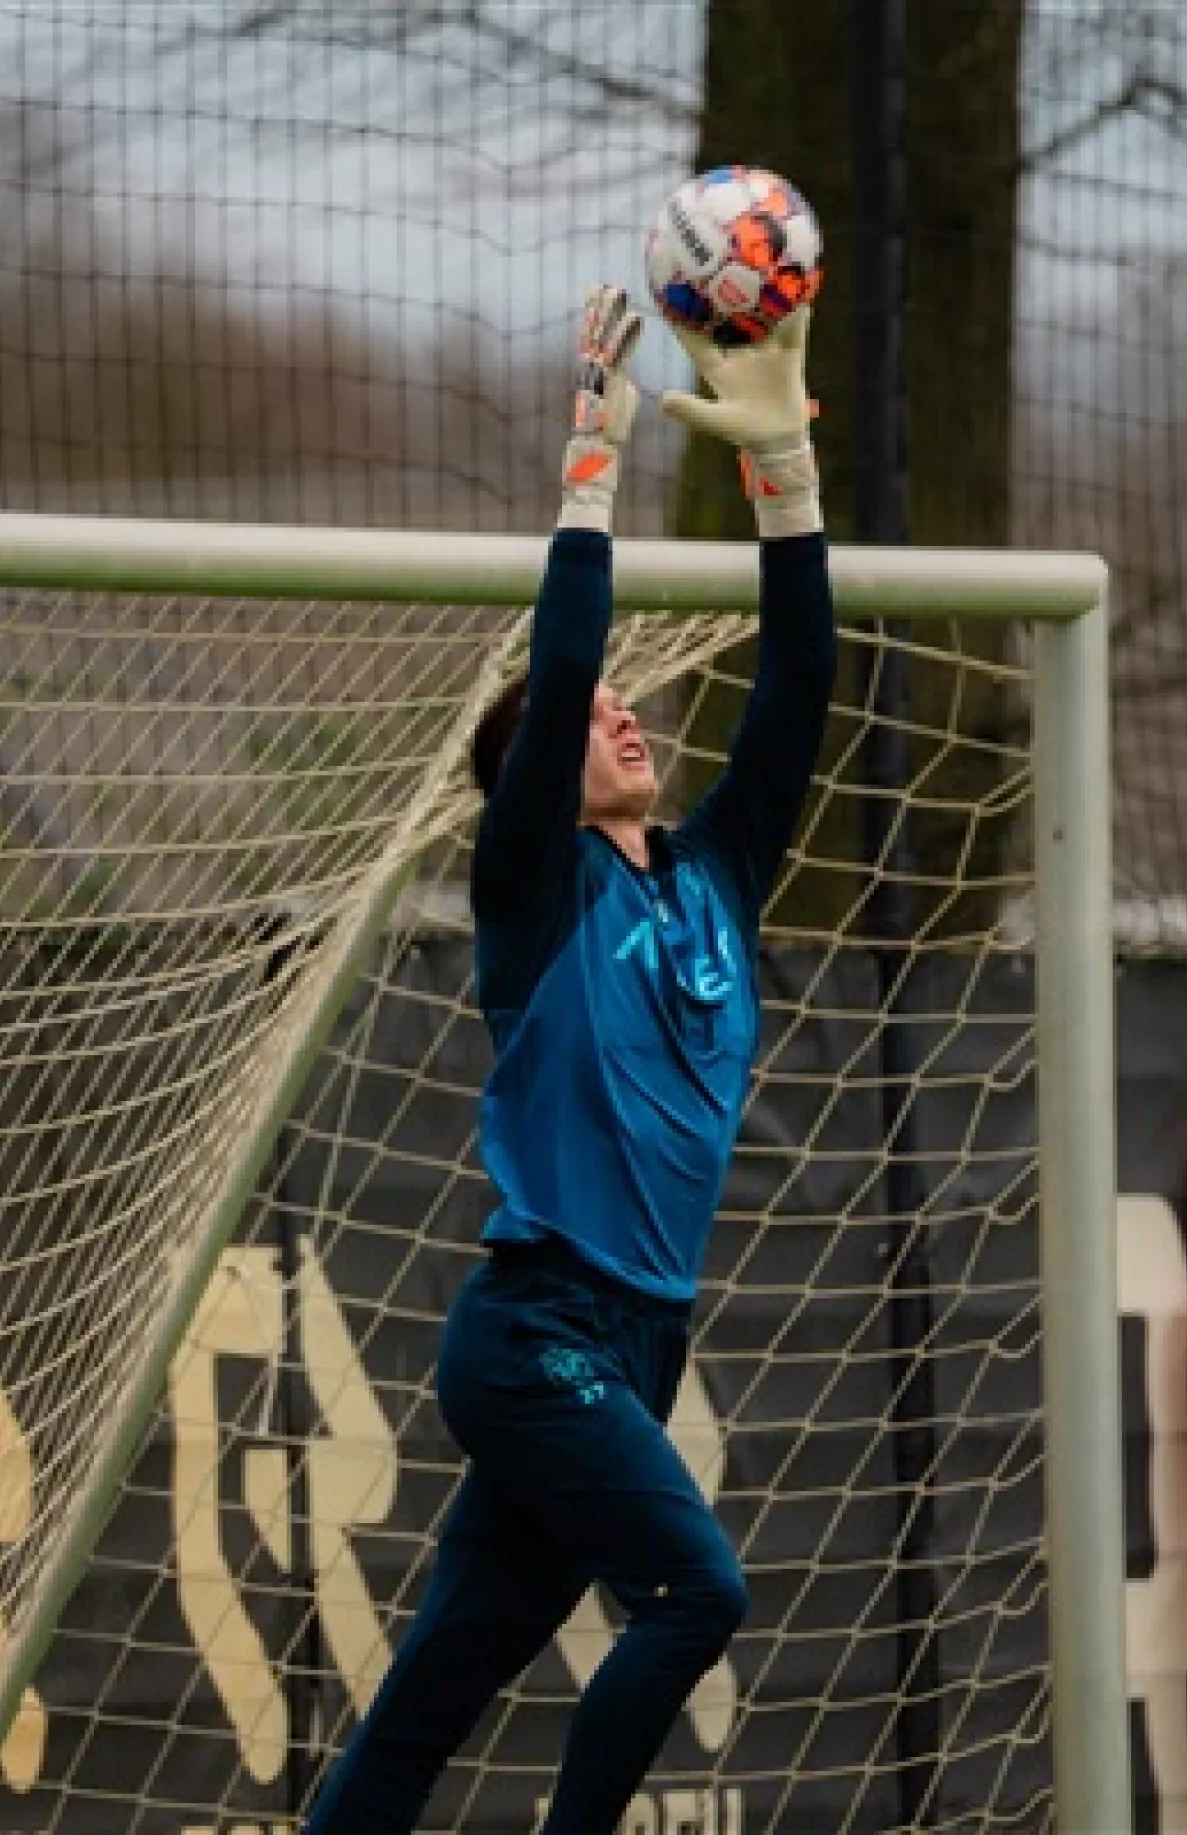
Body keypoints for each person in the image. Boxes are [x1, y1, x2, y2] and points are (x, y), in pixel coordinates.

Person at [302, 284, 837, 1835]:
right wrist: (590, 469)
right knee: (699, 1588)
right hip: (535, 1333)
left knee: (421, 1717)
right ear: (532, 771)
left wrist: (783, 472)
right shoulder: (535, 891)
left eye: (624, 702)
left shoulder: (718, 871)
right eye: (587, 707)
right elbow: (563, 655)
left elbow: (800, 679)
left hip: (640, 1341)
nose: (621, 710)